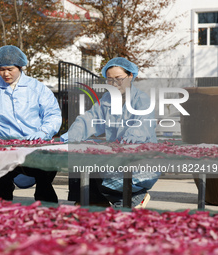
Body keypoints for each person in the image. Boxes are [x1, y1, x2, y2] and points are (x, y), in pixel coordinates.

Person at [0, 45, 62, 203]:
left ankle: (47, 208)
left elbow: (53, 114)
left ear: (20, 67)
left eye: (10, 69)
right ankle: (2, 208)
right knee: (0, 183)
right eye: (1, 69)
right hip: (4, 150)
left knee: (46, 171)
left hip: (33, 147)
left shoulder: (37, 89)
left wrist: (44, 132)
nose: (5, 74)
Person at [60, 57, 160, 208]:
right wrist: (70, 137)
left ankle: (135, 199)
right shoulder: (107, 100)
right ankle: (94, 201)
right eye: (110, 80)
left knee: (110, 177)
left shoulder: (142, 100)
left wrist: (125, 144)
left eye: (118, 79)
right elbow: (88, 119)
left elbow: (142, 126)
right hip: (115, 154)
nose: (114, 84)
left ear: (130, 76)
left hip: (138, 158)